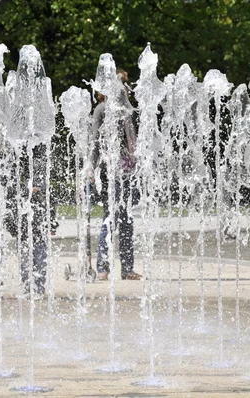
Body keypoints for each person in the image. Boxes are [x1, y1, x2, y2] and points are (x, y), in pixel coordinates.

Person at [86, 69, 141, 281]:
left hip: (127, 171)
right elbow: (95, 142)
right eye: (122, 83)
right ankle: (102, 267)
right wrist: (90, 167)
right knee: (111, 218)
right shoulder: (101, 109)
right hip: (110, 171)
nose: (125, 88)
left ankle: (127, 268)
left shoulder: (125, 110)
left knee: (127, 219)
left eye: (125, 84)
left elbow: (132, 141)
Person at [7, 143, 58, 297]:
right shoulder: (19, 188)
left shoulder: (44, 193)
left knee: (40, 260)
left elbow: (51, 205)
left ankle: (39, 288)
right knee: (26, 262)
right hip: (23, 231)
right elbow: (11, 205)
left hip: (39, 230)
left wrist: (52, 223)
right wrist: (12, 227)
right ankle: (28, 287)